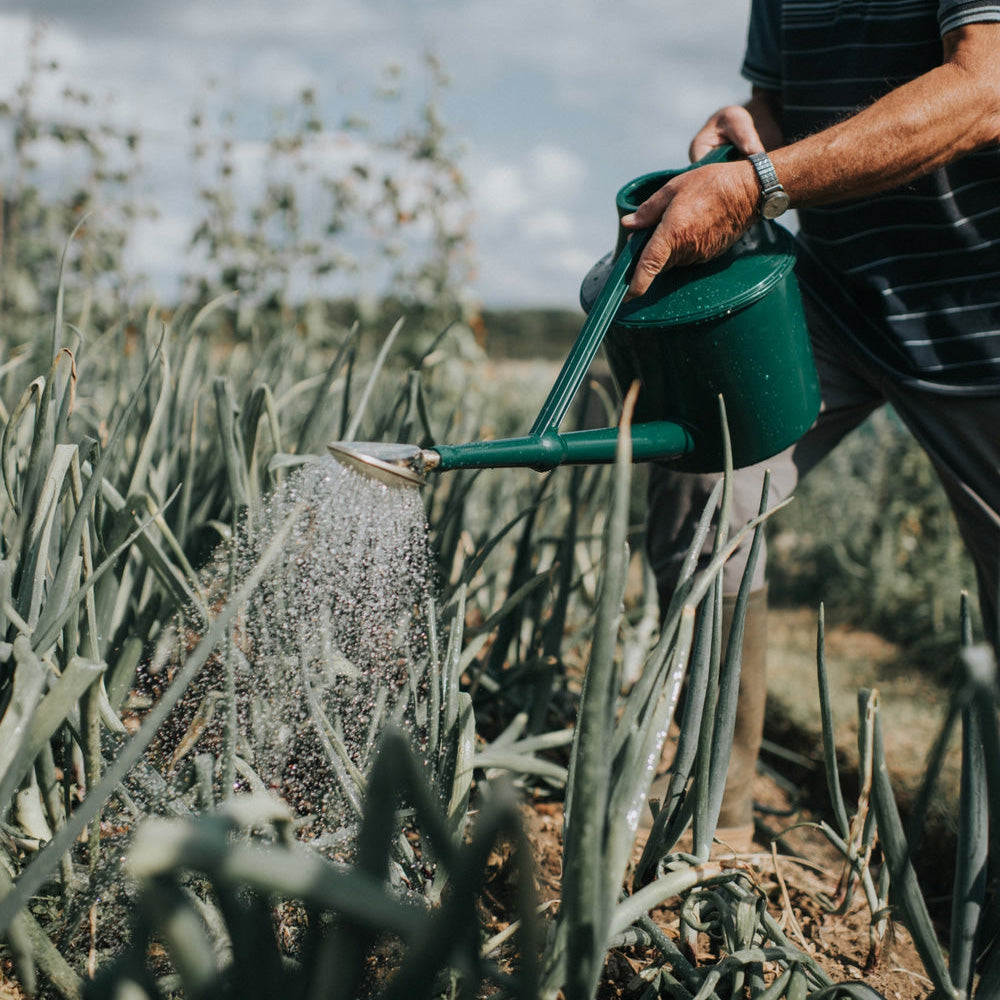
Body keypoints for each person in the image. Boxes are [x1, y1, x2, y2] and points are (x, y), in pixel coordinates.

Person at [623, 0, 1000, 840]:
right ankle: (712, 833)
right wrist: (748, 133)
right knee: (708, 479)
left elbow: (985, 88)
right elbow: (779, 107)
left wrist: (757, 185)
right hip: (837, 295)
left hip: (984, 319)